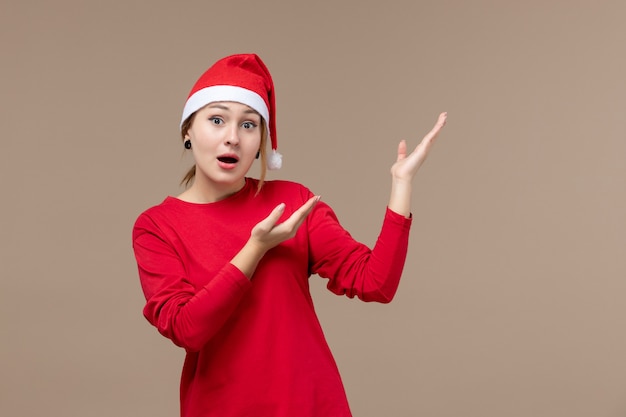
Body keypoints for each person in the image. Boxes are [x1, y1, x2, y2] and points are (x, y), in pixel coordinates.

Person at [132, 53, 447, 417]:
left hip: (310, 404)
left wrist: (401, 184)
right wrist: (256, 247)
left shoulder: (292, 200)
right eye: (216, 120)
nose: (232, 138)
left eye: (249, 125)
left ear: (262, 140)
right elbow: (188, 329)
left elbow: (376, 283)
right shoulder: (157, 226)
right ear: (188, 130)